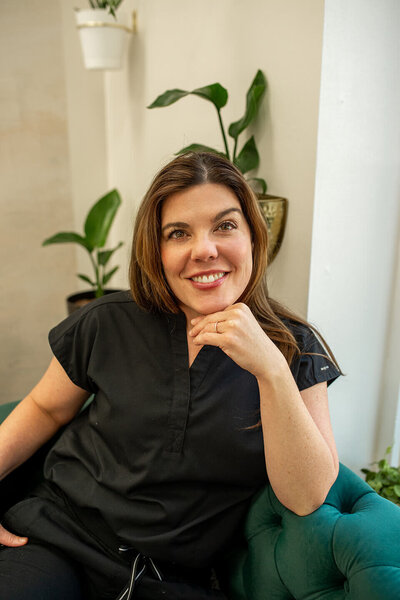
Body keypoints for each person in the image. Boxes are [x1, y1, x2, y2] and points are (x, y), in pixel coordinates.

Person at [0, 152, 341, 599]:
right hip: (55, 540)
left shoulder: (293, 350)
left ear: (253, 237)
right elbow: (44, 408)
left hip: (172, 580)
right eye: (178, 233)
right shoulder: (107, 322)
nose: (204, 250)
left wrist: (271, 370)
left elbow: (307, 496)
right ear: (157, 252)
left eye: (224, 226)